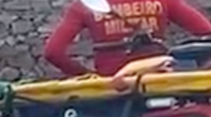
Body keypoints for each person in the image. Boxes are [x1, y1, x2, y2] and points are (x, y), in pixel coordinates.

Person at [43, 0, 211, 76]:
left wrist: (86, 75)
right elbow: (207, 32)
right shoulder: (164, 1)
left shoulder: (85, 5)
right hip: (159, 84)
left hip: (110, 88)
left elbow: (52, 52)